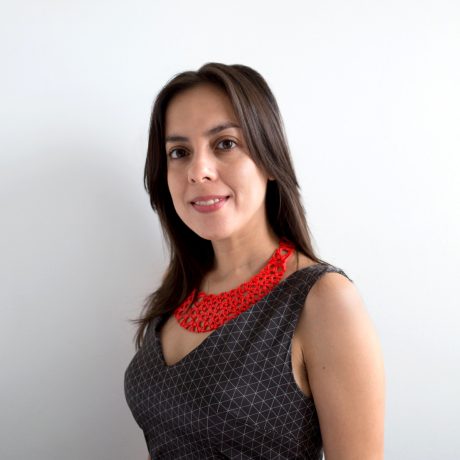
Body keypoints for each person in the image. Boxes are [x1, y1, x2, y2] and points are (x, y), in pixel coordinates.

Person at [124, 63, 385, 459]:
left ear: (268, 158)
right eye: (179, 152)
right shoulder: (179, 289)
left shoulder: (323, 300)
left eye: (225, 144)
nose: (198, 171)